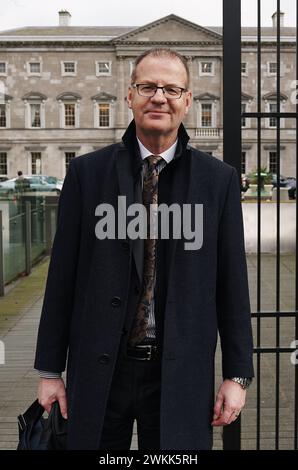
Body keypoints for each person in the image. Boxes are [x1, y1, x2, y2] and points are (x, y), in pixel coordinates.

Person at [34, 48, 254, 450]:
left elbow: (232, 284)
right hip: (101, 366)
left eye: (172, 88)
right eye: (148, 86)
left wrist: (237, 375)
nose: (159, 97)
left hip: (180, 371)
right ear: (129, 95)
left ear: (188, 100)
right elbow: (62, 276)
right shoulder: (87, 173)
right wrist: (50, 369)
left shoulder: (218, 181)